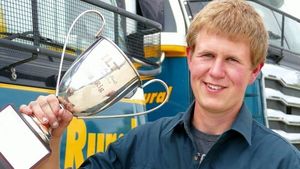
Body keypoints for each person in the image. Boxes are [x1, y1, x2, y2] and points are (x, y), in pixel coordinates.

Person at [20, 0, 300, 168]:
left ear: (255, 71)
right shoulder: (139, 144)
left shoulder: (282, 162)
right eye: (207, 55)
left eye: (232, 60)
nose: (216, 71)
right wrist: (51, 138)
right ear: (190, 58)